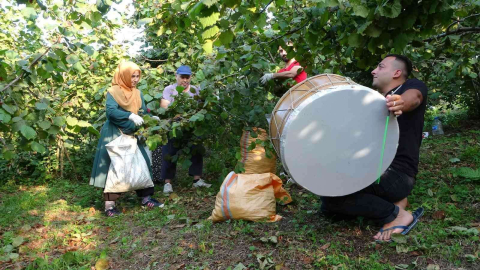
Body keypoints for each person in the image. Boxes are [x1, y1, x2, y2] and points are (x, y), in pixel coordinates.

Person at [320, 54, 428, 241]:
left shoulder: (411, 87)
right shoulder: (373, 101)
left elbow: (415, 98)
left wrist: (400, 102)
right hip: (374, 170)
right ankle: (394, 202)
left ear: (396, 72)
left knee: (333, 200)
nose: (373, 70)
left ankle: (397, 215)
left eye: (380, 66)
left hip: (397, 174)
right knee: (326, 201)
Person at [90, 62, 163, 217]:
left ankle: (146, 198)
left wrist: (150, 118)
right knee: (115, 166)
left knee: (141, 162)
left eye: (137, 76)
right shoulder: (113, 91)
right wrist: (129, 115)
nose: (135, 79)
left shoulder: (138, 93)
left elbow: (142, 111)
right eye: (132, 76)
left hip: (134, 132)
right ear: (124, 75)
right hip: (115, 133)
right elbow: (111, 112)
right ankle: (110, 206)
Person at [157, 65, 211, 194]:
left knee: (197, 148)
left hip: (191, 127)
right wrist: (181, 114)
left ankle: (197, 180)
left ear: (191, 77)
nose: (185, 80)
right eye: (182, 77)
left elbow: (200, 108)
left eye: (187, 77)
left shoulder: (195, 90)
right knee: (169, 151)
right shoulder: (169, 89)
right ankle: (167, 183)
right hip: (174, 126)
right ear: (176, 76)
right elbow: (164, 105)